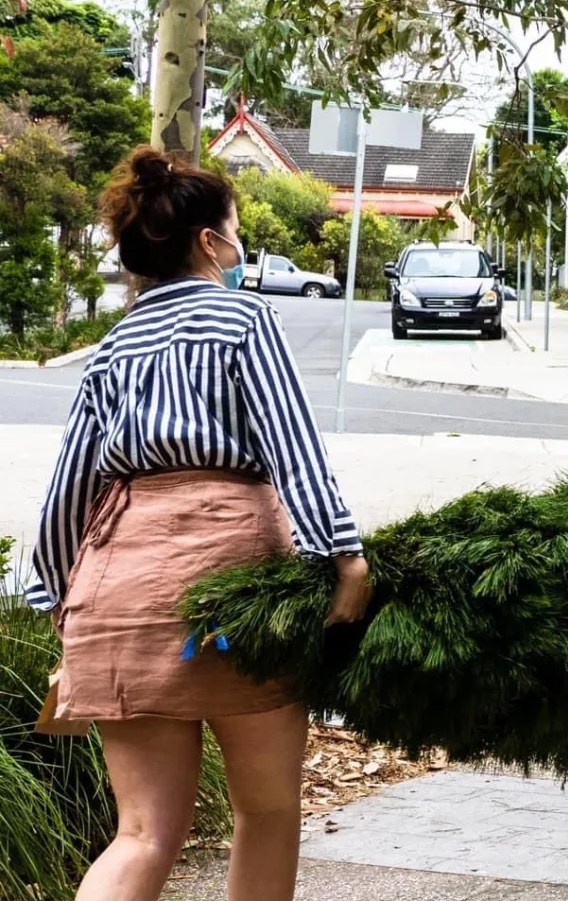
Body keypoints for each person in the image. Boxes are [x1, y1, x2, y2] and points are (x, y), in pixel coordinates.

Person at [29, 147, 372, 901]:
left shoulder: (112, 347)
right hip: (236, 590)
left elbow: (69, 490)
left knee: (142, 834)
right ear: (209, 244)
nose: (241, 248)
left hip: (118, 591)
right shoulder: (243, 315)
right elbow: (292, 445)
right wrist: (341, 554)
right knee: (269, 811)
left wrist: (57, 597)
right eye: (237, 231)